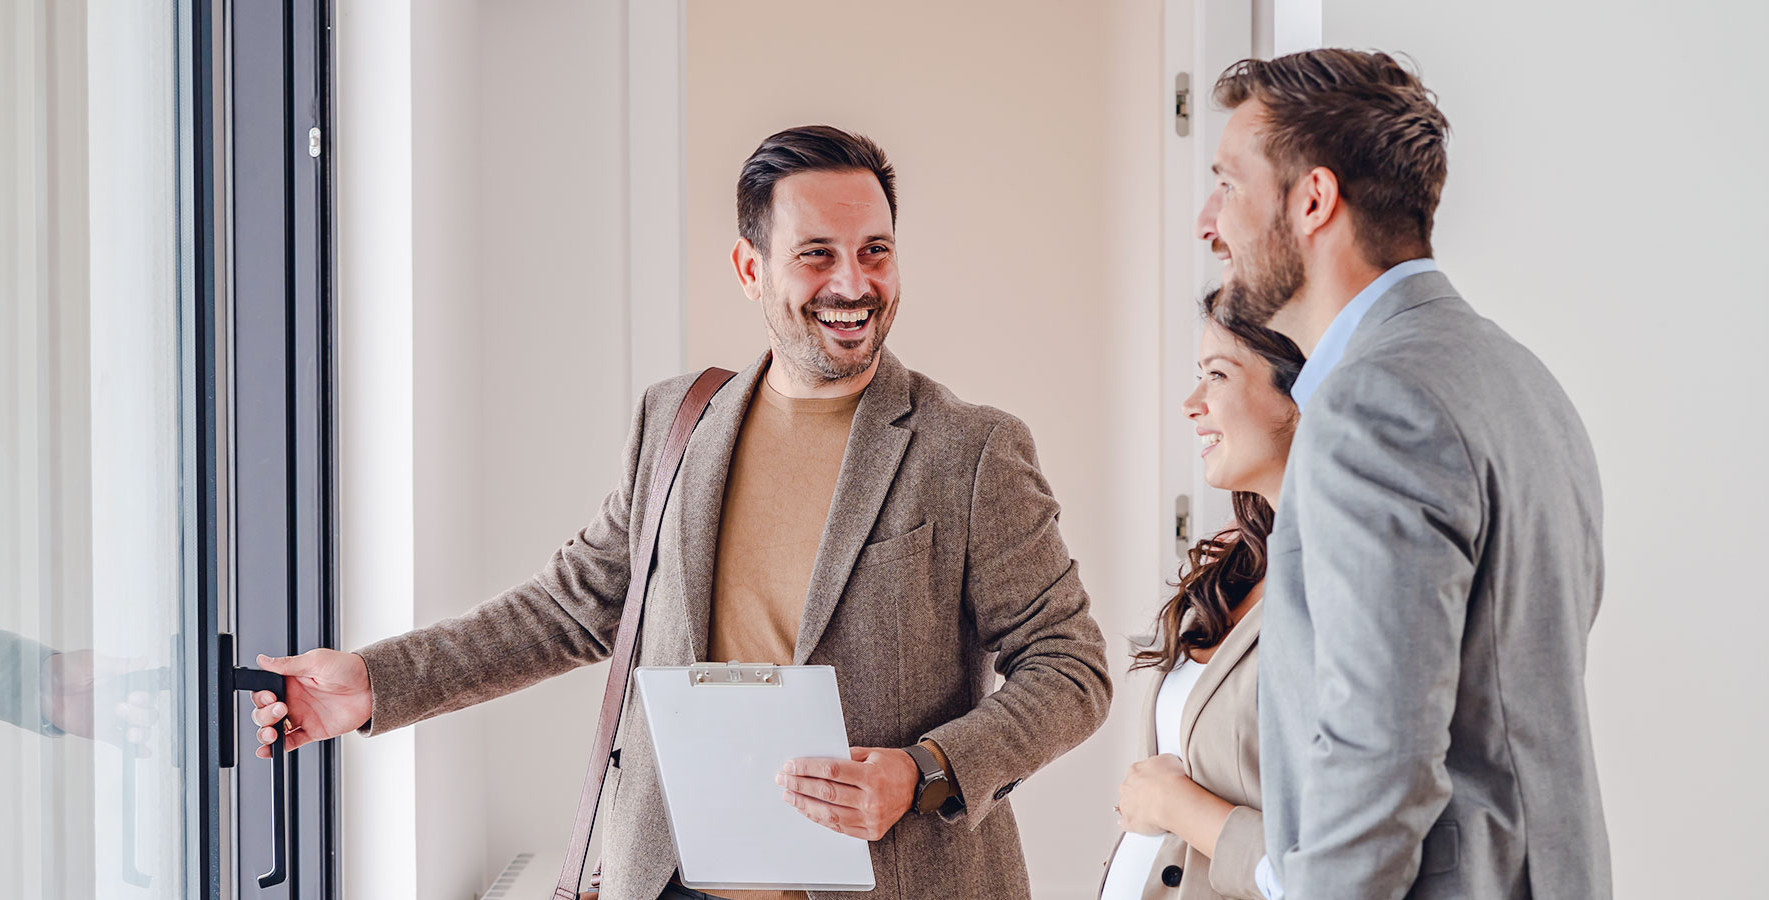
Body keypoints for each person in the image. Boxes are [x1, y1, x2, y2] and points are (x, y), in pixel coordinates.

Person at [243, 125, 1113, 900]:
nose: (854, 282)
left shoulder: (971, 449)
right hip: (672, 879)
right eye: (817, 253)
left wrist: (924, 771)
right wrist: (376, 682)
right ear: (750, 268)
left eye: (875, 250)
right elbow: (573, 606)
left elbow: (1071, 668)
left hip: (897, 877)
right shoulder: (678, 421)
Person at [1199, 50, 1610, 899]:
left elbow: (1376, 762)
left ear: (1312, 201)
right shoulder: (1520, 378)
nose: (1209, 222)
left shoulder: (1373, 405)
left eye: (1228, 185)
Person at [1097, 290, 1301, 900]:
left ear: (1300, 395)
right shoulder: (1239, 567)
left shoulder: (1345, 593)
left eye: (1217, 375)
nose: (1192, 405)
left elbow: (1344, 871)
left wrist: (1177, 806)